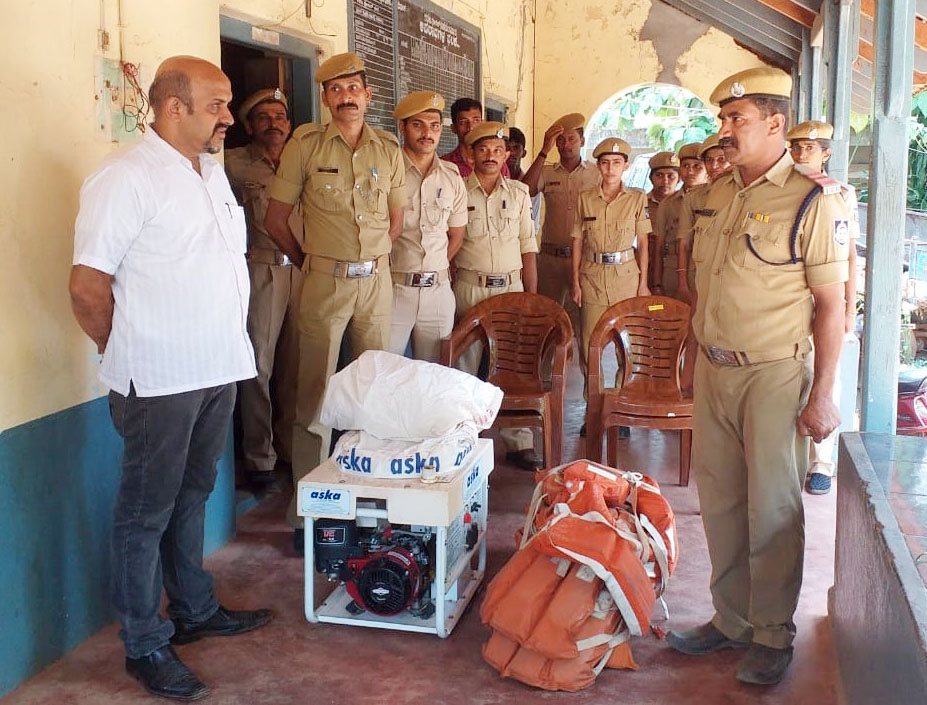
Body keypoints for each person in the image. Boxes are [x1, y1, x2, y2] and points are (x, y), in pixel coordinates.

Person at [70, 55, 273, 701]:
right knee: (143, 511)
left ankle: (192, 608)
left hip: (216, 366)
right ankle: (144, 640)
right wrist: (123, 347)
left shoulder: (208, 172)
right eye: (216, 103)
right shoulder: (124, 177)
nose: (227, 115)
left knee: (191, 494)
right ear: (172, 106)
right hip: (158, 377)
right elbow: (87, 286)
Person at [666, 68, 850, 686]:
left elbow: (833, 307)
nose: (723, 130)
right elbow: (709, 287)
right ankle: (732, 619)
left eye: (734, 118)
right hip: (716, 369)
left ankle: (772, 632)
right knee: (719, 501)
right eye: (722, 119)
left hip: (773, 373)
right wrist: (693, 357)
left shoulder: (811, 198)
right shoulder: (718, 194)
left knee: (772, 505)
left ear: (775, 122)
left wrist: (823, 393)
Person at [263, 52, 405, 546]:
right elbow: (276, 220)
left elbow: (395, 221)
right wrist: (312, 264)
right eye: (335, 89)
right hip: (324, 281)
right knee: (315, 396)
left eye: (354, 88)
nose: (346, 97)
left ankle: (368, 493)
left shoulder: (388, 150)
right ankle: (308, 513)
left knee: (373, 389)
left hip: (376, 285)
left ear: (368, 95)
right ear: (325, 97)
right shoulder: (305, 145)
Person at [225, 88, 304, 490]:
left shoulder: (303, 158)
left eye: (280, 116)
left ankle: (291, 450)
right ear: (249, 125)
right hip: (260, 271)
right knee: (258, 365)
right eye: (264, 117)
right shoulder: (233, 163)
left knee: (296, 368)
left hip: (305, 272)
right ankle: (259, 457)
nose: (274, 123)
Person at [453, 121, 540, 470]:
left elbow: (527, 247)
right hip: (469, 288)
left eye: (497, 150)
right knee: (465, 365)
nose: (490, 156)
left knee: (511, 364)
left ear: (507, 154)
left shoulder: (519, 194)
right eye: (483, 150)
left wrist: (531, 298)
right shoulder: (457, 190)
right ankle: (462, 436)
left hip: (510, 288)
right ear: (471, 154)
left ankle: (519, 441)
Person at [787, 120, 859, 495]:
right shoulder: (783, 193)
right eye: (796, 147)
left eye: (810, 149)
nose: (801, 154)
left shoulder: (840, 195)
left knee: (825, 377)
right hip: (793, 303)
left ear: (826, 154)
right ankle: (795, 455)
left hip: (826, 303)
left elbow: (848, 258)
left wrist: (848, 310)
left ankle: (822, 462)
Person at [388, 91, 467, 362]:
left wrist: (436, 265)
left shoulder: (452, 176)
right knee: (385, 370)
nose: (427, 133)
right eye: (417, 125)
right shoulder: (388, 171)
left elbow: (457, 234)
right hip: (394, 288)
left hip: (438, 292)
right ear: (403, 128)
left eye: (434, 126)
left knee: (435, 373)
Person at [521, 113, 601, 376]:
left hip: (585, 261)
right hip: (551, 260)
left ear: (582, 140)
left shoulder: (596, 174)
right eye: (560, 141)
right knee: (546, 323)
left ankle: (592, 393)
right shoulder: (546, 172)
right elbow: (525, 190)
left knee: (585, 327)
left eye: (571, 139)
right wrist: (543, 150)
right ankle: (542, 385)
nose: (565, 145)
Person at [571, 137, 651, 387]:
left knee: (627, 344)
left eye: (617, 162)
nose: (610, 168)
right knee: (589, 345)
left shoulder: (637, 199)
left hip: (626, 278)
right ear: (598, 166)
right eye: (605, 163)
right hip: (592, 277)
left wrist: (643, 284)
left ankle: (620, 401)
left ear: (626, 166)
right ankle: (593, 405)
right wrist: (575, 282)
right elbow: (577, 241)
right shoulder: (584, 198)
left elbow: (644, 244)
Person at [676, 134, 731, 305]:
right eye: (709, 160)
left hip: (730, 277)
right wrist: (683, 283)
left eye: (721, 160)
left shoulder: (744, 195)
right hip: (699, 275)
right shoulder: (694, 197)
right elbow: (684, 243)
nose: (714, 166)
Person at [651, 142, 707, 298]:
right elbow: (658, 247)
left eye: (697, 166)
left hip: (703, 270)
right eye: (686, 166)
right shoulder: (668, 204)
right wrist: (657, 285)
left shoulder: (714, 199)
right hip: (672, 270)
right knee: (670, 317)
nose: (690, 171)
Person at [441, 97, 511, 178]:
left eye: (476, 121)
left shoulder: (497, 163)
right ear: (453, 128)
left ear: (483, 123)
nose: (470, 127)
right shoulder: (444, 165)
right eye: (463, 122)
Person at [646, 151, 681, 292]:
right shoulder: (642, 203)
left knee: (675, 309)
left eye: (671, 176)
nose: (665, 181)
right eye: (659, 175)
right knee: (652, 308)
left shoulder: (685, 204)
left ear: (679, 179)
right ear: (651, 178)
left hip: (675, 266)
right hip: (647, 266)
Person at [506, 126, 542, 233]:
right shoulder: (493, 183)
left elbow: (533, 226)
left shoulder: (532, 186)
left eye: (516, 148)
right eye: (507, 148)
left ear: (524, 153)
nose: (511, 153)